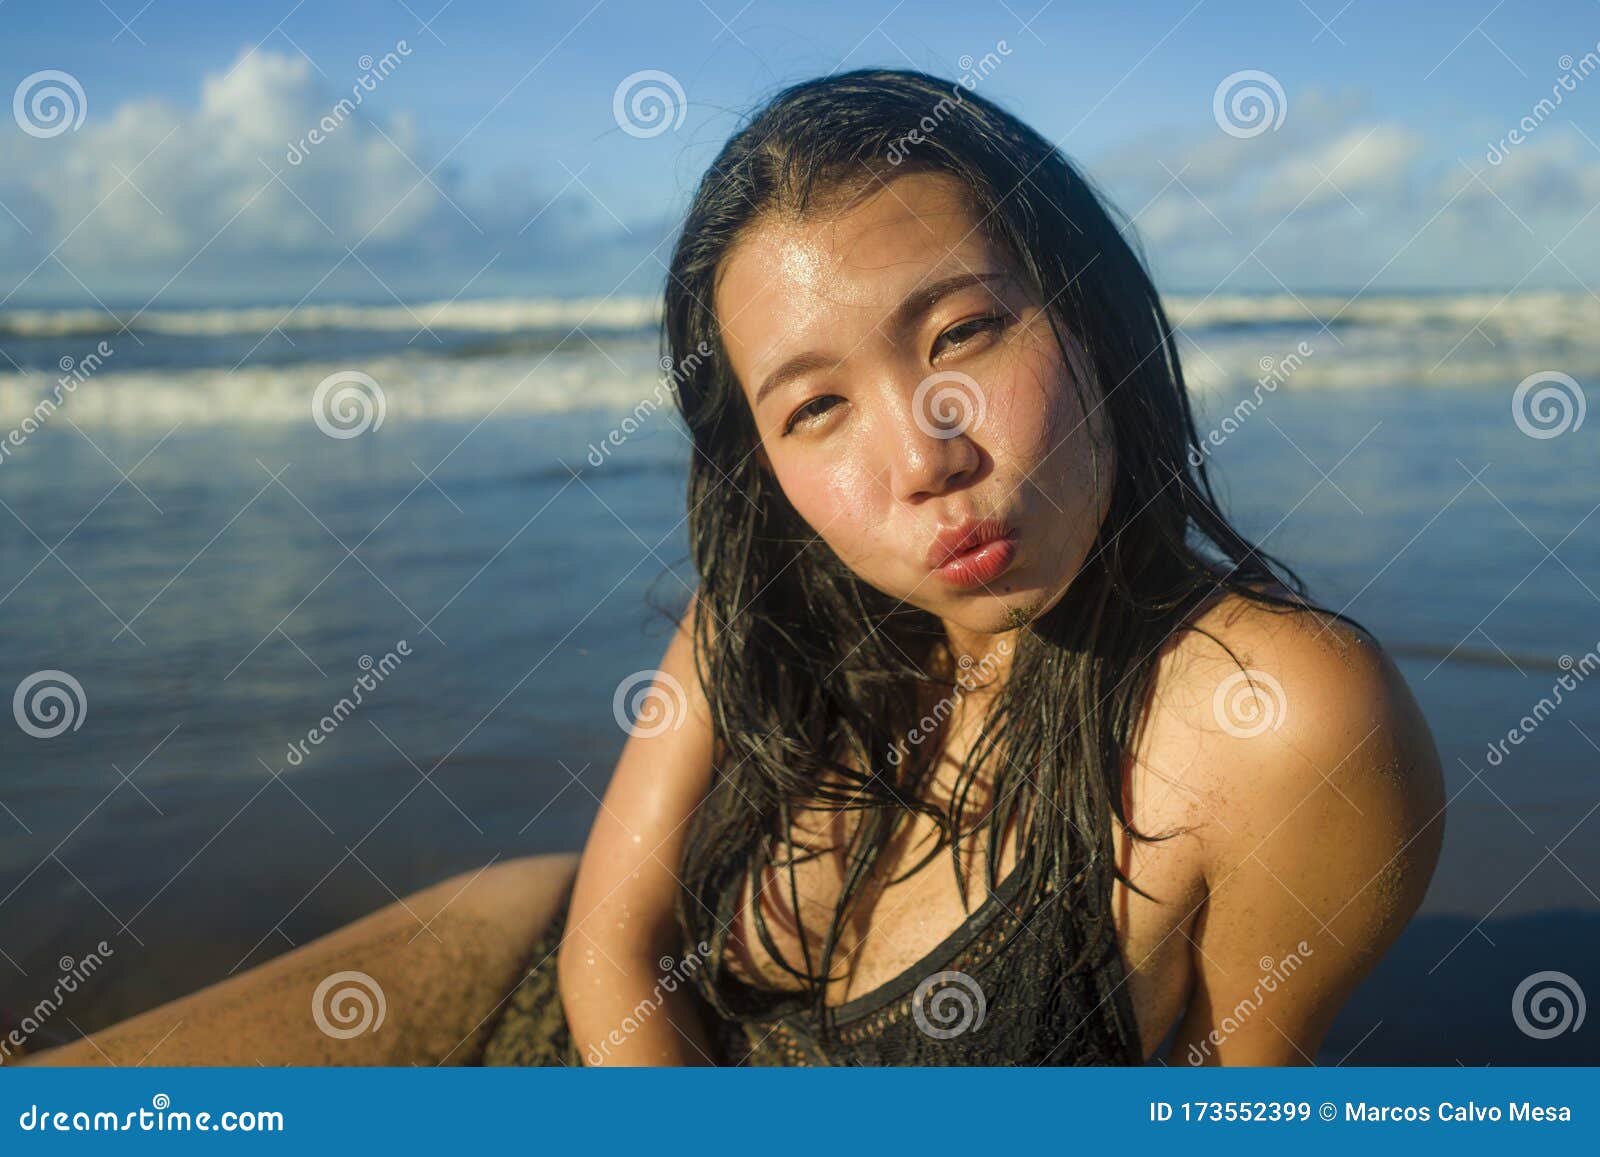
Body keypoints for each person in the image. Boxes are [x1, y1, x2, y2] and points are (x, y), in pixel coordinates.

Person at [21, 68, 1444, 1069]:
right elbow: (607, 947)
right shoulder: (760, 619)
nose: (921, 453)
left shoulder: (1275, 717)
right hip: (507, 973)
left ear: (1087, 314)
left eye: (960, 335)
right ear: (760, 456)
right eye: (815, 406)